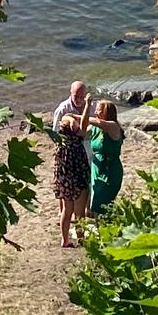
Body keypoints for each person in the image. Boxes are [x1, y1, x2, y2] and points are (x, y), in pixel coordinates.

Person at [52, 80, 91, 247]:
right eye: (77, 96)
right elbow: (83, 129)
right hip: (77, 168)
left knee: (67, 210)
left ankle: (65, 239)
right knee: (78, 211)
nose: (80, 99)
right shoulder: (63, 110)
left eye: (83, 96)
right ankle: (81, 239)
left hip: (64, 168)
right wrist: (87, 107)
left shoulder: (64, 149)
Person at [86, 98, 125, 212]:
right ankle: (100, 226)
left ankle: (106, 226)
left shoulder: (113, 126)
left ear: (106, 112)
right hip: (97, 167)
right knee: (96, 202)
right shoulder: (94, 128)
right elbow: (82, 133)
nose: (96, 113)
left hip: (110, 169)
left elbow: (98, 122)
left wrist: (76, 115)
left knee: (104, 202)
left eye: (98, 110)